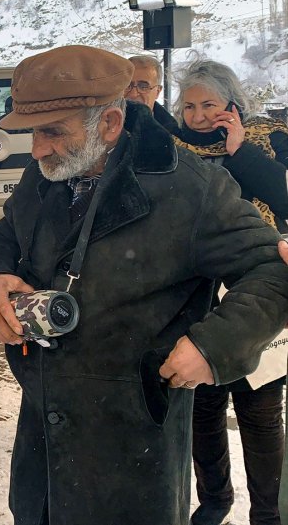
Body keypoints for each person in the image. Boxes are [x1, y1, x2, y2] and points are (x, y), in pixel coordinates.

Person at [0, 45, 288, 525]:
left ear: (110, 124)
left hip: (136, 445)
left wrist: (214, 345)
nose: (36, 149)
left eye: (52, 132)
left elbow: (270, 270)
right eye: (33, 132)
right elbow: (4, 237)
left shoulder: (190, 188)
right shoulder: (45, 172)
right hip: (41, 444)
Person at [172, 58, 288, 525]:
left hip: (259, 293)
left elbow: (283, 198)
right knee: (203, 407)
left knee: (260, 411)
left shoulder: (270, 140)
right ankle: (214, 500)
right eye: (190, 105)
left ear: (233, 104)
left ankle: (267, 514)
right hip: (196, 292)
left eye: (209, 104)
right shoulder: (171, 150)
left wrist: (240, 150)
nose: (199, 116)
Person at [125, 55, 180, 135]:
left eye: (143, 86)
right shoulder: (103, 124)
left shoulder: (173, 133)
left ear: (157, 92)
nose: (133, 94)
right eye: (127, 85)